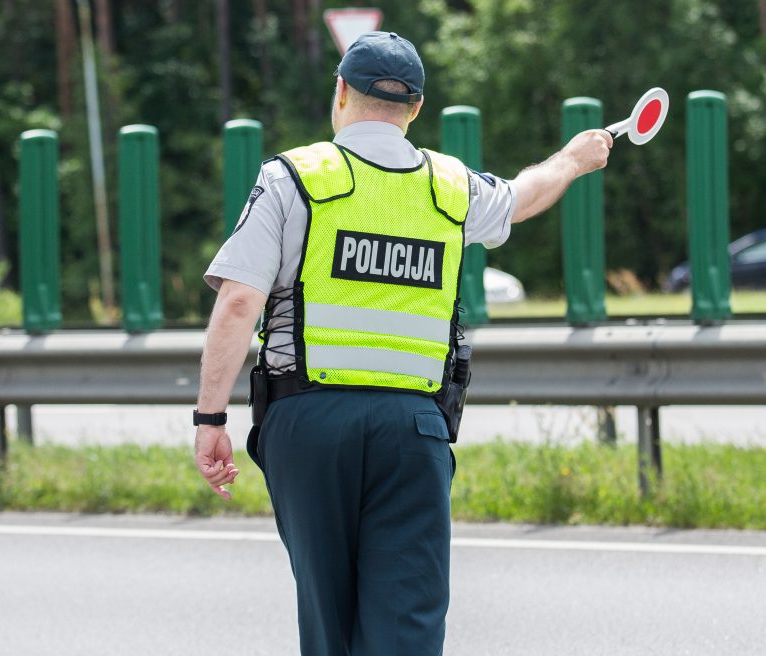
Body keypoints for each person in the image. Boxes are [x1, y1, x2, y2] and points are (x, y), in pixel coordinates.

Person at [194, 31, 611, 656]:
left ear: (341, 92)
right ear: (415, 108)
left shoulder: (293, 177)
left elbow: (237, 302)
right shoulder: (448, 185)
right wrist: (576, 158)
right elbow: (525, 195)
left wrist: (210, 417)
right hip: (413, 427)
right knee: (406, 623)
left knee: (327, 617)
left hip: (307, 422)